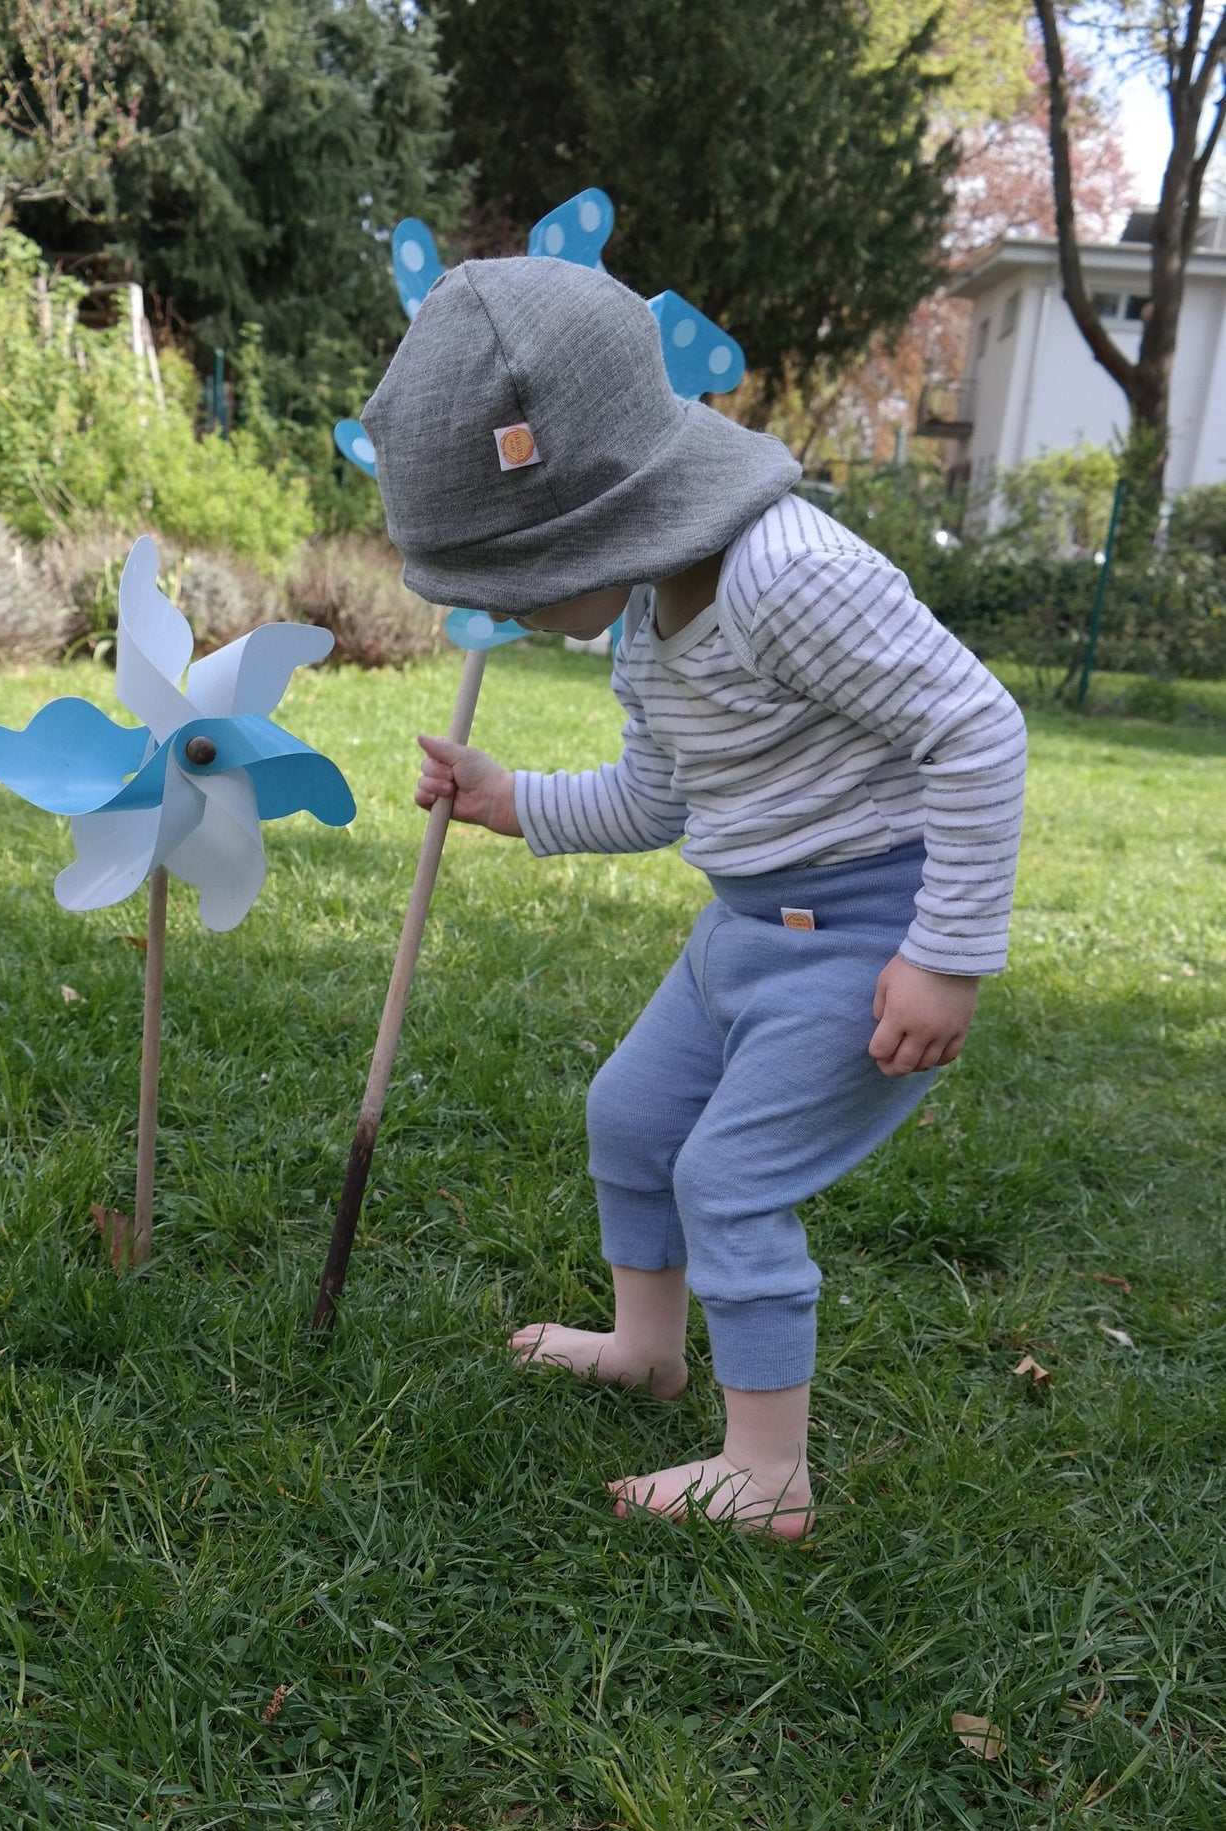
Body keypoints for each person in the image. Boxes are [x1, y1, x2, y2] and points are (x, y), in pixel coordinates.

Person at [360, 256, 1026, 1537]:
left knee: (728, 1173)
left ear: (600, 523)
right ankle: (645, 1345)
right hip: (742, 928)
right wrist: (515, 801)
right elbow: (656, 801)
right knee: (631, 1112)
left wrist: (946, 955)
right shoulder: (641, 617)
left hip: (868, 935)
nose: (506, 616)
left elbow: (974, 728)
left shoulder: (788, 576)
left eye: (514, 583)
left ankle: (768, 1467)